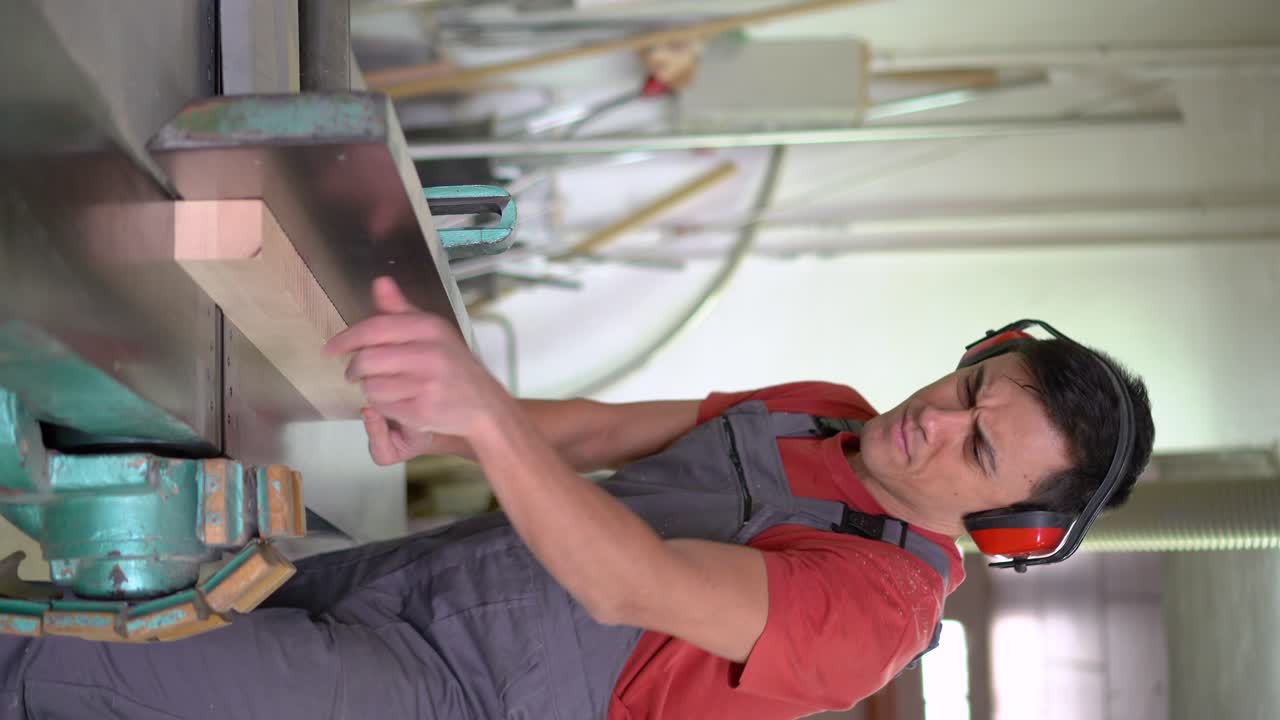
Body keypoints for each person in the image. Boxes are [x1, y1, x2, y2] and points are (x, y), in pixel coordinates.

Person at [0, 277, 1154, 720]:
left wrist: (484, 414)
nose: (933, 421)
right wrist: (441, 420)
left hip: (466, 696)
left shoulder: (873, 615)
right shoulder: (824, 409)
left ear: (1007, 527)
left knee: (74, 661)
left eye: (975, 450)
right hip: (427, 574)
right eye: (967, 388)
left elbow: (627, 584)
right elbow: (602, 433)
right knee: (128, 612)